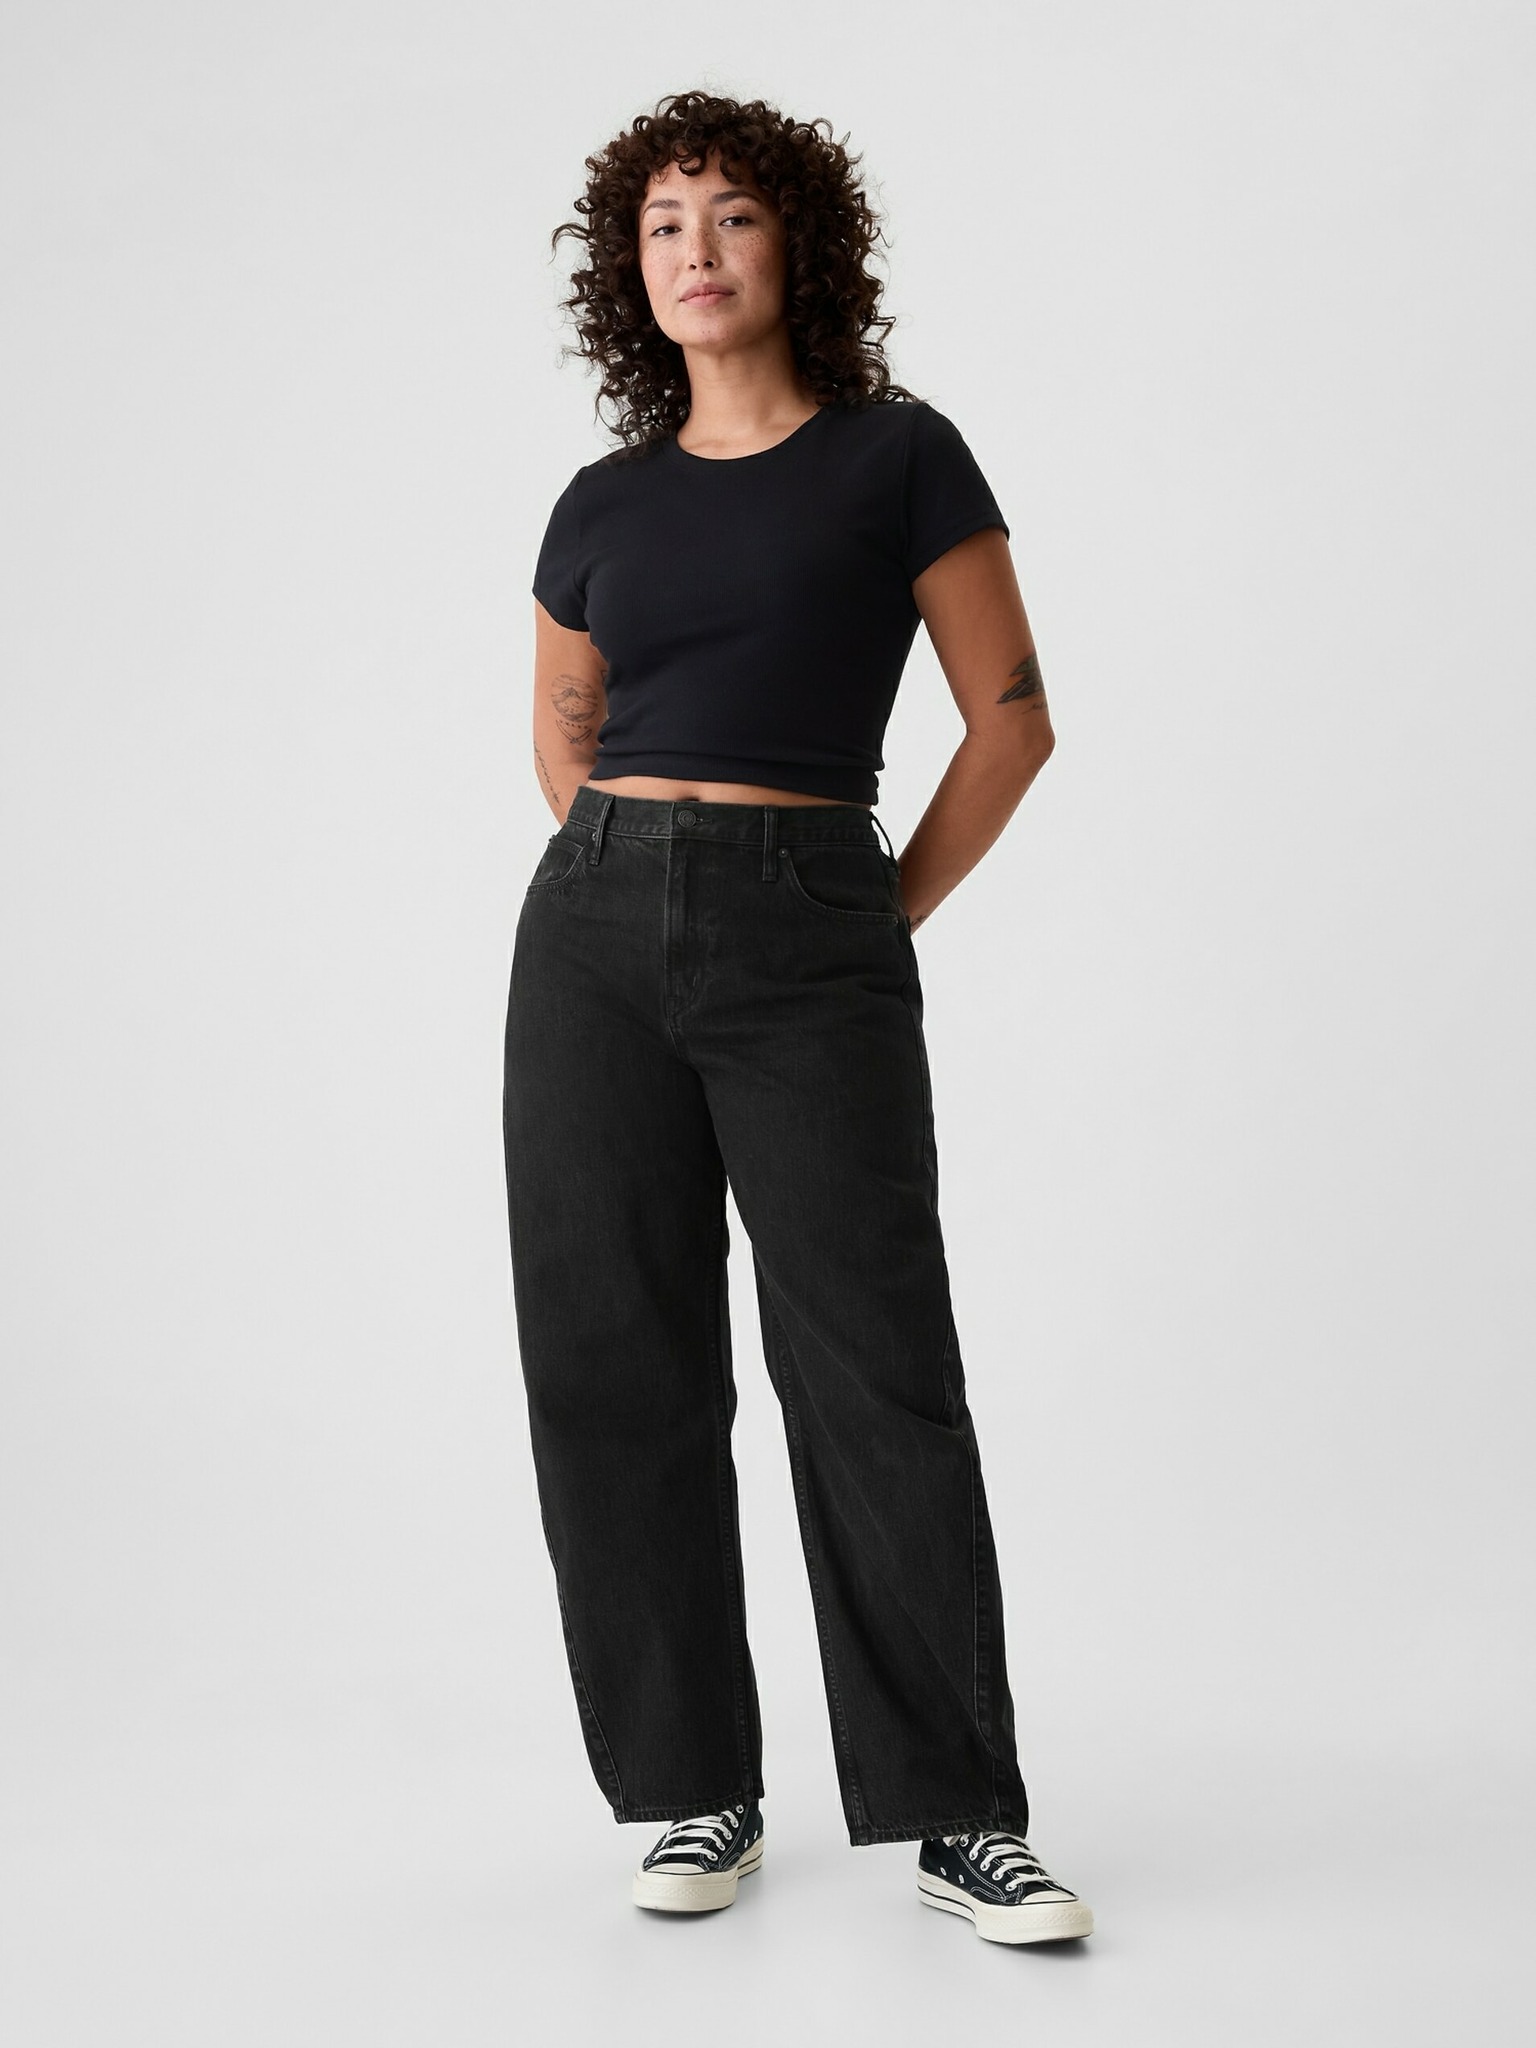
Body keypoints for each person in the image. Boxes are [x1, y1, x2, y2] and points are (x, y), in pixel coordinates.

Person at [503, 88, 1093, 1948]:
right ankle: (696, 1788)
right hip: (591, 939)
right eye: (663, 224)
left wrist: (857, 909)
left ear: (800, 246)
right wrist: (636, 872)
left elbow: (1012, 721)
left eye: (734, 216)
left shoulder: (898, 457)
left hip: (813, 914)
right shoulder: (600, 500)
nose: (696, 250)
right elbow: (563, 735)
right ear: (629, 269)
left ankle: (958, 1814)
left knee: (871, 1364)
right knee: (614, 1360)